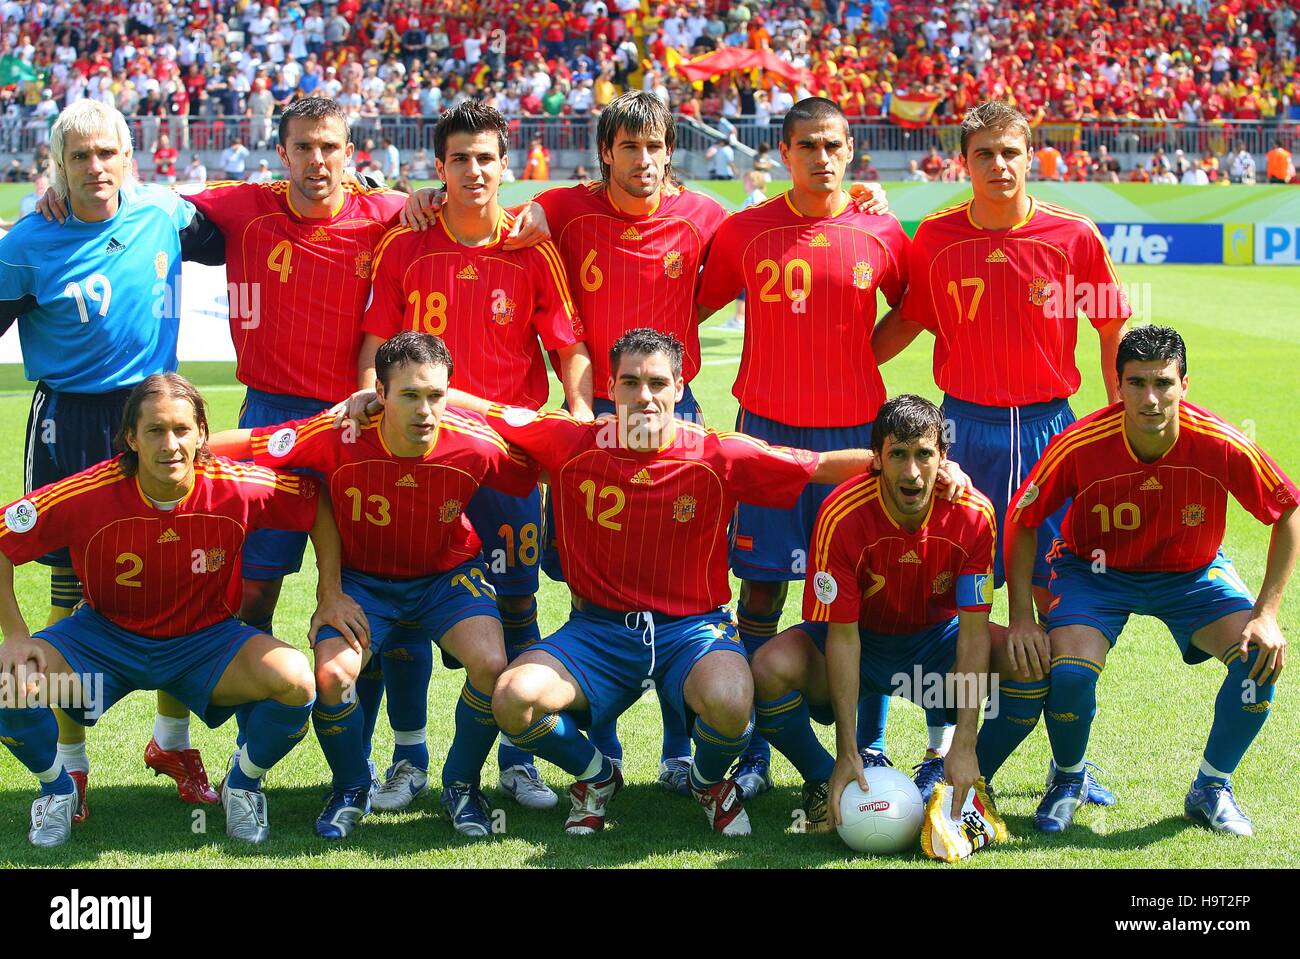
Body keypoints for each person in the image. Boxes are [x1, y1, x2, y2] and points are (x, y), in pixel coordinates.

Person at [471, 328, 881, 836]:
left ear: (680, 386)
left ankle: (709, 783)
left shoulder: (717, 455)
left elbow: (819, 466)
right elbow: (487, 413)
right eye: (630, 382)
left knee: (733, 701)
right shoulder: (570, 442)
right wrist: (374, 400)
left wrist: (921, 467)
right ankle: (597, 777)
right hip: (597, 632)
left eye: (657, 383)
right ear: (610, 386)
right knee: (513, 697)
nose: (644, 396)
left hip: (692, 631)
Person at [872, 101, 1129, 803]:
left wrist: (1112, 420)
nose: (999, 166)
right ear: (965, 161)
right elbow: (907, 321)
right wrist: (850, 374)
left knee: (1056, 593)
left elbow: (1111, 325)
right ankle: (939, 750)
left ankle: (1069, 762)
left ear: (1031, 156)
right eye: (984, 154)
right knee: (958, 596)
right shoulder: (938, 238)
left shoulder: (1072, 235)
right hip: (966, 432)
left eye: (1011, 152)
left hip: (1052, 430)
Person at [0, 373, 364, 846]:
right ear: (131, 437)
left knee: (296, 680)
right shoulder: (86, 493)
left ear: (202, 434)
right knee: (10, 685)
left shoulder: (236, 485)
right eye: (154, 430)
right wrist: (14, 634)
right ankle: (57, 789)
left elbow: (314, 504)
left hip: (205, 644)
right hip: (104, 643)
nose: (170, 444)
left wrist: (330, 593)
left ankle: (243, 783)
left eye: (181, 429)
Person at [358, 102, 593, 810]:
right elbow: (376, 339)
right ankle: (408, 757)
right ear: (439, 168)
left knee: (516, 603)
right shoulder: (405, 244)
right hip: (419, 458)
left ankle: (517, 758)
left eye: (485, 158)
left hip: (508, 463)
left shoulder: (531, 246)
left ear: (504, 166)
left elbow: (566, 341)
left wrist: (579, 408)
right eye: (459, 158)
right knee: (401, 611)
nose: (473, 170)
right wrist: (364, 397)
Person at [210, 333, 536, 838]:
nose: (425, 410)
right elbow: (256, 443)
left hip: (447, 578)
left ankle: (462, 784)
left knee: (493, 664)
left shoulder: (476, 441)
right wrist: (175, 448)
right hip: (363, 583)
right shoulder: (339, 431)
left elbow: (550, 457)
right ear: (378, 394)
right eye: (409, 395)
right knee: (333, 676)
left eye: (435, 395)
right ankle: (351, 786)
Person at [0, 100, 226, 822]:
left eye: (107, 154)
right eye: (78, 157)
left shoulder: (163, 211)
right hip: (70, 422)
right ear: (57, 167)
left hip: (156, 414)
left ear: (129, 159)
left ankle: (172, 743)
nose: (95, 168)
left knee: (173, 572)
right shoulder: (28, 239)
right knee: (73, 590)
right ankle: (72, 768)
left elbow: (234, 231)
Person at [697, 97, 912, 802]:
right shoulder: (744, 232)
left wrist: (861, 354)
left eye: (834, 145)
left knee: (865, 587)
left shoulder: (881, 230)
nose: (823, 157)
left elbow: (914, 308)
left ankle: (869, 742)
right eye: (808, 146)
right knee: (761, 586)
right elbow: (691, 307)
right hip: (767, 434)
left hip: (855, 440)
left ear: (851, 151)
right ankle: (758, 746)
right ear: (784, 154)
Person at [1008, 326, 1296, 836]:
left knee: (1259, 661)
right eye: (1136, 383)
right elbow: (1022, 518)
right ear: (1117, 387)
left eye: (1163, 382)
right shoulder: (1079, 443)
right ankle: (1069, 778)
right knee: (1071, 671)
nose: (1150, 398)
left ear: (1185, 384)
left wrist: (1267, 614)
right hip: (1094, 573)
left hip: (1191, 572)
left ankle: (1211, 787)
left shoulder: (1221, 441)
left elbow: (1288, 511)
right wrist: (1022, 618)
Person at [751, 394, 1009, 835]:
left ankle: (962, 775)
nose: (911, 472)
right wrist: (847, 749)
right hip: (863, 644)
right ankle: (823, 776)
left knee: (1031, 663)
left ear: (943, 457)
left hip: (935, 645)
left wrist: (966, 741)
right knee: (768, 669)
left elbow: (971, 635)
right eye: (898, 455)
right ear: (876, 460)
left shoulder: (974, 514)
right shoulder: (841, 513)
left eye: (924, 455)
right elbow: (843, 636)